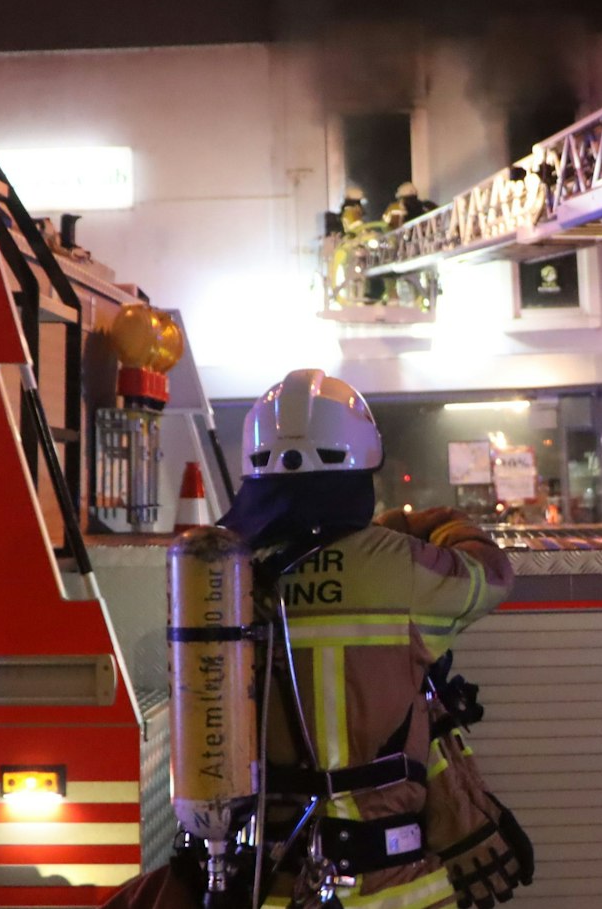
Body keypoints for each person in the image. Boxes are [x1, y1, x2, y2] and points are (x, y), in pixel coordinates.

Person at [103, 370, 529, 909]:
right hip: (388, 885)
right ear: (362, 465)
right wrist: (432, 522)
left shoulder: (217, 576)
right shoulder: (397, 566)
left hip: (260, 881)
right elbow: (490, 575)